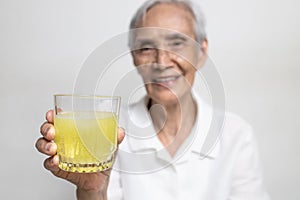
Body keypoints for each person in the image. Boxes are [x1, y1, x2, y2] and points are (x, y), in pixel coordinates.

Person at [36, 0, 270, 199]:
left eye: (177, 43)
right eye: (146, 47)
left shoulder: (237, 135)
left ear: (202, 52)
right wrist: (92, 191)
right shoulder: (104, 128)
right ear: (134, 57)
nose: (162, 61)